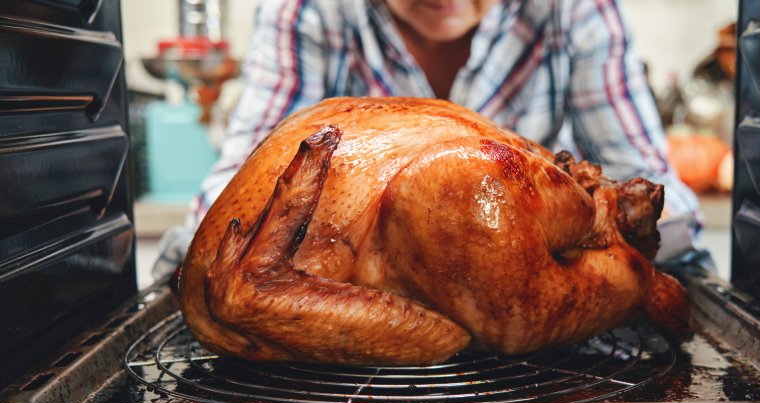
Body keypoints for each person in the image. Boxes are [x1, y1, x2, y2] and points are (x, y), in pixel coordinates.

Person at [154, 0, 702, 277]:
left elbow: (658, 196)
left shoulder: (574, 10)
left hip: (537, 313)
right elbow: (233, 194)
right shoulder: (310, 10)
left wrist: (595, 217)